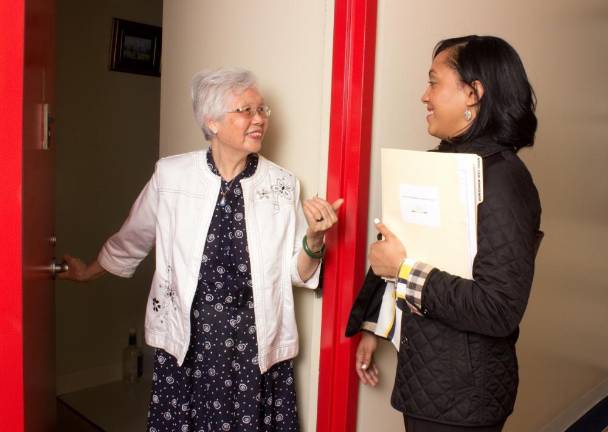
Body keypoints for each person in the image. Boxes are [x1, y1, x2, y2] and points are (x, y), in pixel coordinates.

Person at [61, 67, 343, 432]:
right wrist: (87, 272)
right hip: (189, 345)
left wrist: (315, 240)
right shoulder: (171, 177)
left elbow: (297, 273)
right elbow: (132, 240)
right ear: (211, 122)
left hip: (254, 350)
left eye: (263, 110)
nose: (259, 120)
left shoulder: (282, 185)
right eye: (246, 110)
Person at [347, 35, 542, 431]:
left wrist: (402, 270)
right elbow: (404, 249)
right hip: (427, 381)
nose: (424, 95)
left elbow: (498, 308)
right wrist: (376, 326)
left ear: (473, 94)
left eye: (434, 82)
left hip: (465, 394)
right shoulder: (442, 163)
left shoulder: (504, 181)